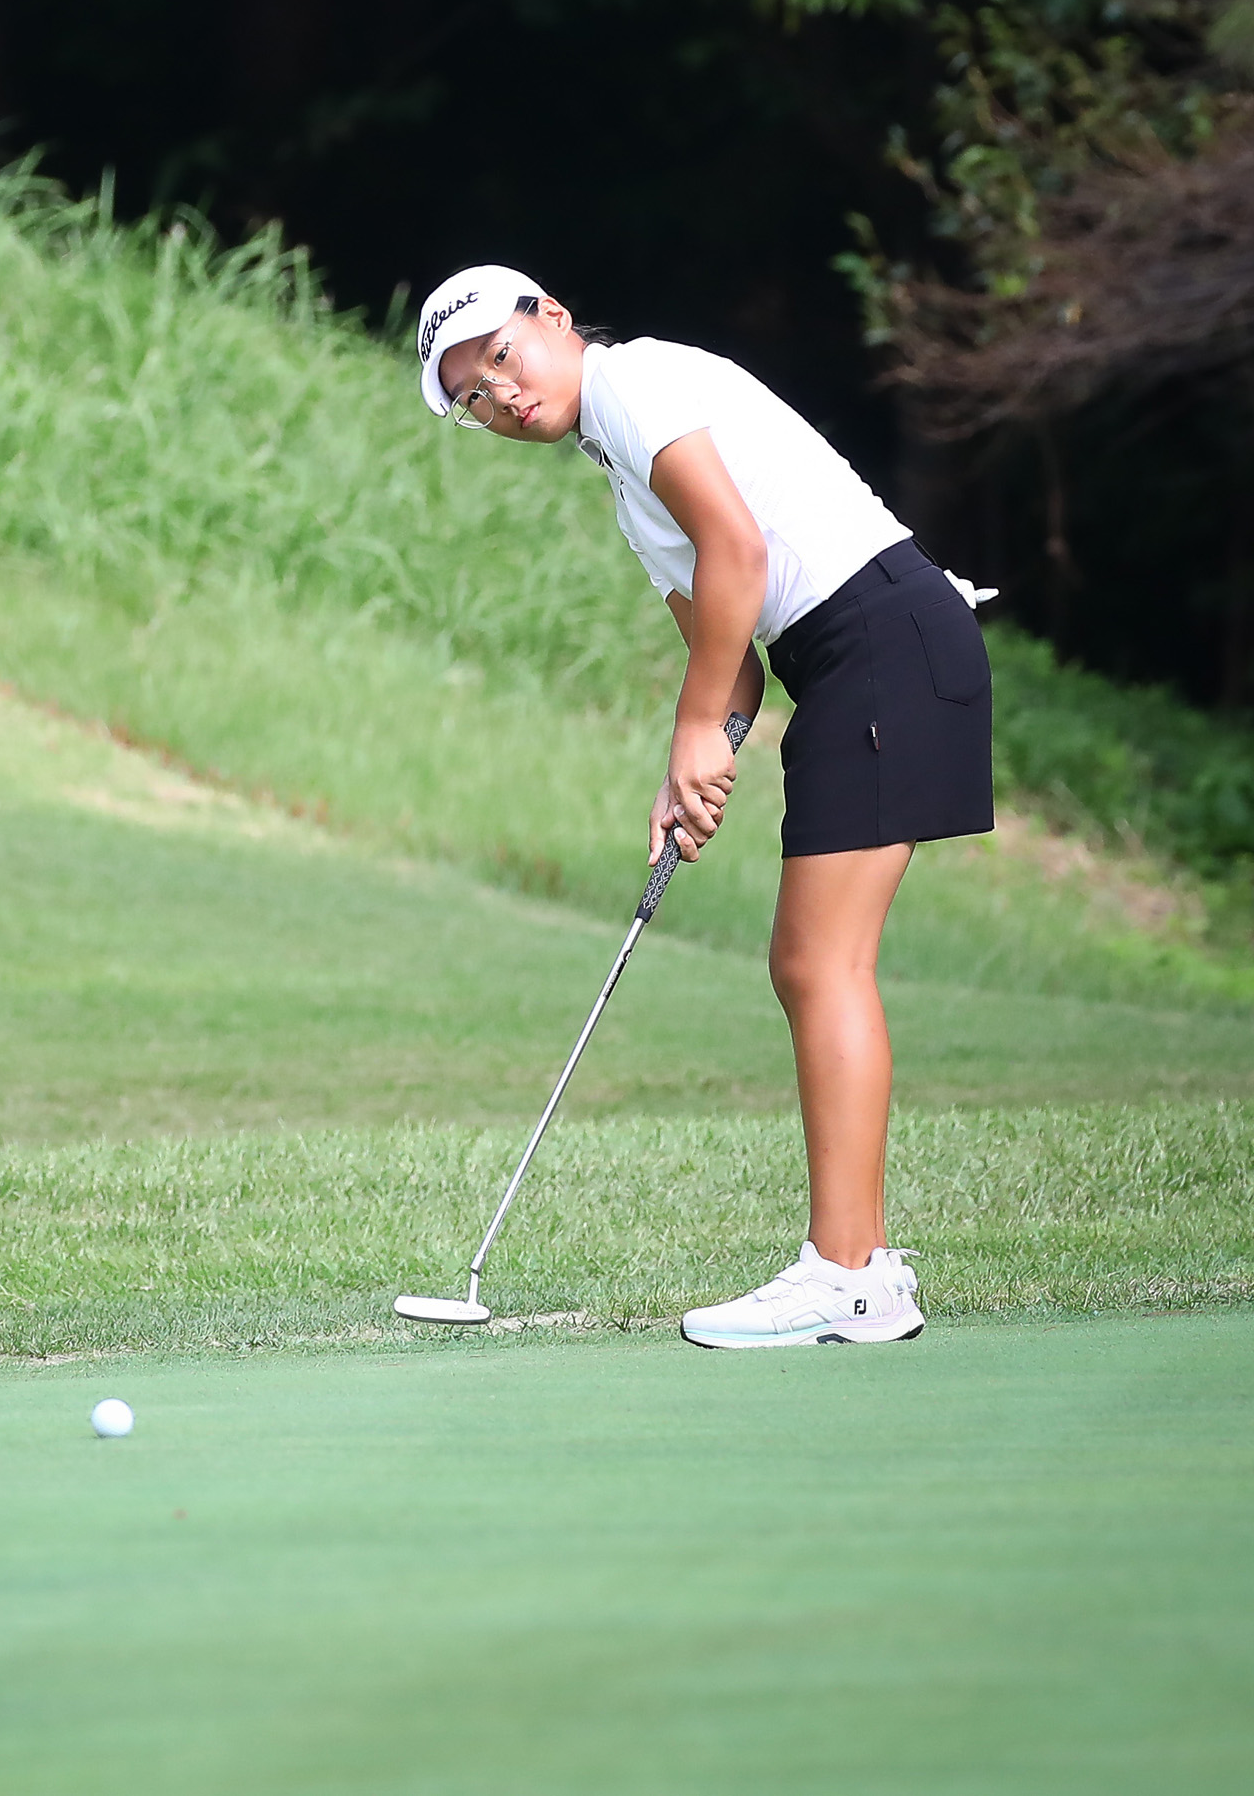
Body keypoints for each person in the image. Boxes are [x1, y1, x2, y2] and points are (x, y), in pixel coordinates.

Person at [416, 265, 994, 1348]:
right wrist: (691, 762)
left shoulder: (634, 383)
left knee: (818, 964)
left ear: (548, 317)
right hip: (858, 659)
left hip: (880, 643)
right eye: (473, 397)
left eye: (501, 357)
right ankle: (857, 1271)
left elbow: (740, 551)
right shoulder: (623, 476)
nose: (502, 395)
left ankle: (846, 1275)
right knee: (811, 963)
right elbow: (726, 660)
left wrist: (696, 734)